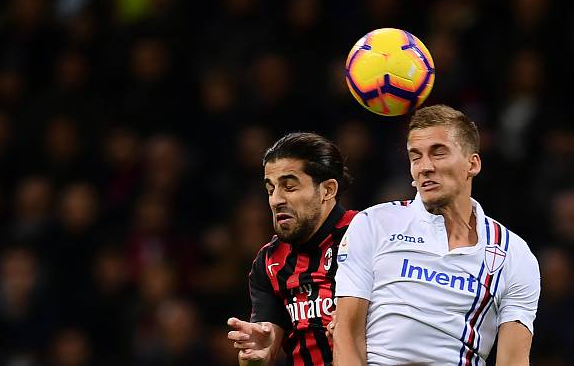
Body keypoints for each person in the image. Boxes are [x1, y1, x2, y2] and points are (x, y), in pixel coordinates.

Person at [333, 104, 540, 365]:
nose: (424, 166)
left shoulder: (513, 253)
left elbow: (513, 361)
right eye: (415, 156)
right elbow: (346, 335)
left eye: (438, 153)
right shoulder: (373, 224)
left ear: (472, 163)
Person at [227, 132, 358, 366]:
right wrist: (258, 355)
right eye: (270, 189)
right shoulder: (269, 261)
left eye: (289, 187)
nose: (276, 200)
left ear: (327, 190)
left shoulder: (367, 236)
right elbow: (266, 342)